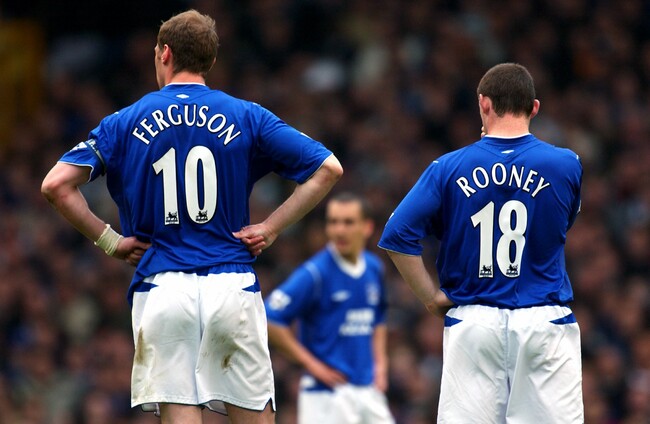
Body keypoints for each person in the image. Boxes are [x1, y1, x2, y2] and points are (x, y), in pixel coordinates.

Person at [41, 9, 342, 424]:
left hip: (163, 287)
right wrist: (271, 228)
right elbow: (328, 168)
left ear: (164, 53)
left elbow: (56, 185)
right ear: (211, 60)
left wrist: (111, 242)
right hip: (231, 284)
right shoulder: (248, 115)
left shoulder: (123, 121)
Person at [378, 63, 584, 422]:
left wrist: (430, 298)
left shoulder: (447, 167)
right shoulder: (566, 164)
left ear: (483, 104)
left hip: (473, 321)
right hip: (544, 321)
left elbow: (397, 236)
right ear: (534, 108)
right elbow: (561, 225)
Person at [264, 192, 394, 424]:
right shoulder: (315, 273)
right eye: (333, 222)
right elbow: (270, 318)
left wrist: (381, 365)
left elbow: (378, 319)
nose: (339, 230)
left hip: (368, 390)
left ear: (367, 227)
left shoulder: (373, 268)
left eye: (348, 222)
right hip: (326, 395)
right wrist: (312, 365)